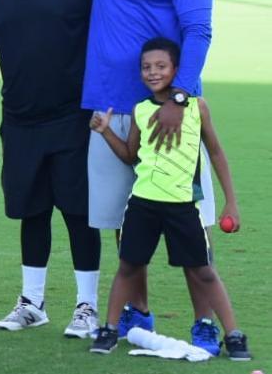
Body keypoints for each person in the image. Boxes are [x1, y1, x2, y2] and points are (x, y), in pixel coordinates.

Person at [0, 0, 215, 341]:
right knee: (120, 224)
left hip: (165, 111)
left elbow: (198, 30)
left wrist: (179, 96)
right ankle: (137, 312)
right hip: (106, 113)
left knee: (190, 225)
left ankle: (207, 322)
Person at [0, 0, 102, 337]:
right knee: (32, 213)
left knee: (77, 214)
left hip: (73, 120)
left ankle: (87, 306)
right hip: (19, 121)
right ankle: (33, 303)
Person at [87, 38, 248, 361]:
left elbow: (215, 152)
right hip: (143, 205)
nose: (153, 72)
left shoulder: (197, 108)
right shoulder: (140, 110)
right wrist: (105, 131)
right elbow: (131, 155)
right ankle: (109, 329)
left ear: (176, 69)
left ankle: (233, 334)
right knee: (128, 267)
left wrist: (231, 201)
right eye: (146, 67)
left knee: (203, 270)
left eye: (161, 66)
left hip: (183, 206)